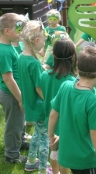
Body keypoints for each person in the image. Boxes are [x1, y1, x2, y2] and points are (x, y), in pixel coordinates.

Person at [48, 46, 96, 174]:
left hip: (67, 153)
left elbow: (53, 114)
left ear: (77, 67)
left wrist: (51, 137)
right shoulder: (91, 99)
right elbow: (95, 134)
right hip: (86, 160)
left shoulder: (65, 86)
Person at [17, 21, 52, 173]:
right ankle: (43, 169)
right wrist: (50, 102)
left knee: (37, 133)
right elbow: (39, 88)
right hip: (39, 106)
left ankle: (31, 162)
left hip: (30, 104)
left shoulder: (21, 58)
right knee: (45, 138)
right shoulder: (34, 63)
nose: (44, 44)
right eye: (44, 40)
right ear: (36, 41)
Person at [40, 38, 77, 174]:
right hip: (65, 125)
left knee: (54, 150)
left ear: (53, 56)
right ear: (73, 57)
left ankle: (55, 172)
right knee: (64, 156)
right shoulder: (73, 82)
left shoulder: (44, 75)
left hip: (50, 121)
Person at [0, 13, 27, 164]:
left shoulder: (9, 46)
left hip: (14, 93)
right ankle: (11, 155)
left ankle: (20, 142)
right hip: (11, 94)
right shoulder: (3, 51)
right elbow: (8, 79)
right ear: (7, 31)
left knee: (19, 121)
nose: (21, 34)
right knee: (14, 124)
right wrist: (20, 99)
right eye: (19, 30)